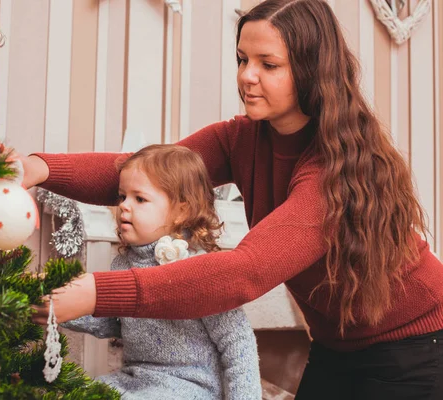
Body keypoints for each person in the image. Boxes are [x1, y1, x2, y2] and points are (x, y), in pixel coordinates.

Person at [24, 0, 443, 398]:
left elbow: (244, 273)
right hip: (337, 349)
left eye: (268, 64)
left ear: (312, 70)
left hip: (417, 348)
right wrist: (39, 169)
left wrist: (98, 291)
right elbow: (146, 177)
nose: (247, 76)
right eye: (243, 59)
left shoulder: (332, 172)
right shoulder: (239, 139)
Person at [59, 144, 261, 400]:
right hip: (135, 377)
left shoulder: (201, 269)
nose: (124, 206)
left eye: (139, 199)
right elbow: (113, 322)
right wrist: (58, 307)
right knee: (77, 394)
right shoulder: (123, 264)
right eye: (122, 197)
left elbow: (237, 341)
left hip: (191, 386)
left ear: (181, 211)